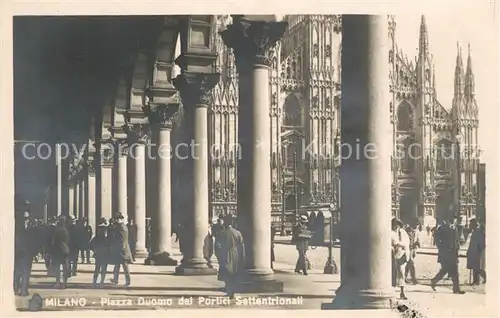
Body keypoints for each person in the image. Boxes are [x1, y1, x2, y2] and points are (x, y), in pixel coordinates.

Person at [431, 216, 465, 294]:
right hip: (445, 253)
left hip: (453, 254)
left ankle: (455, 289)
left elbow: (457, 241)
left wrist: (458, 248)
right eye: (451, 220)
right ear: (448, 221)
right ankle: (455, 289)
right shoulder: (442, 228)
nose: (453, 222)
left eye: (454, 220)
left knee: (451, 271)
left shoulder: (455, 229)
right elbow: (436, 239)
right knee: (448, 270)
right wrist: (441, 247)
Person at [215, 214, 246, 299]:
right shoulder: (237, 233)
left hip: (225, 254)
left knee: (226, 274)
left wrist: (218, 256)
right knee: (234, 274)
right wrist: (242, 257)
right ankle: (232, 291)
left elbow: (217, 246)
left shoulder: (221, 233)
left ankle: (229, 290)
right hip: (235, 255)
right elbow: (241, 246)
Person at [13, 211, 37, 296]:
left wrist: (34, 253)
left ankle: (24, 290)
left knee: (26, 273)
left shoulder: (31, 229)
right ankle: (15, 287)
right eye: (24, 218)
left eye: (27, 218)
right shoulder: (16, 228)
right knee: (18, 272)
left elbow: (33, 242)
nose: (25, 220)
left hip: (28, 254)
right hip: (19, 254)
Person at [109, 213, 132, 287]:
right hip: (121, 248)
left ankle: (127, 281)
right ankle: (116, 279)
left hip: (121, 249)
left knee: (124, 265)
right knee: (117, 265)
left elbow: (120, 239)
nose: (116, 220)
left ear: (120, 219)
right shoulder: (121, 226)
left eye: (117, 219)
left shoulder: (121, 227)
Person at [391, 217, 410, 300]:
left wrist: (404, 248)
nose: (396, 227)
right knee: (393, 273)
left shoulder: (403, 232)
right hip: (393, 255)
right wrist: (400, 245)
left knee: (402, 272)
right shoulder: (390, 233)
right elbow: (393, 242)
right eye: (395, 225)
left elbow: (407, 242)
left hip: (403, 254)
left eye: (398, 225)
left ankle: (402, 292)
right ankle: (392, 290)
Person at [51, 216, 71, 289]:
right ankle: (64, 283)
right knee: (65, 267)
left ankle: (58, 282)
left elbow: (53, 240)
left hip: (58, 249)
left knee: (57, 267)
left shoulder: (57, 230)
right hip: (65, 249)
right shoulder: (66, 230)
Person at [90, 218, 110, 288]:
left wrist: (95, 250)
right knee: (103, 269)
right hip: (104, 253)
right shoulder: (105, 238)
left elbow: (91, 245)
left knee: (97, 268)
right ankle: (101, 282)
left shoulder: (97, 238)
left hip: (99, 253)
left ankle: (95, 282)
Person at [466, 218, 486, 285]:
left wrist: (480, 250)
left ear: (473, 224)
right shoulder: (475, 231)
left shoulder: (478, 231)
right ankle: (476, 281)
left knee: (478, 268)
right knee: (475, 267)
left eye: (470, 224)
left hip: (477, 252)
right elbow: (472, 243)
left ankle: (485, 278)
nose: (469, 225)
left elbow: (482, 242)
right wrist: (469, 250)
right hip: (474, 251)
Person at [404, 219, 420, 284]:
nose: (417, 226)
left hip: (413, 249)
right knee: (412, 263)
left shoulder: (417, 231)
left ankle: (404, 277)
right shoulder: (407, 230)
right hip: (408, 249)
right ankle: (413, 278)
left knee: (408, 263)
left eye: (417, 225)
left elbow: (417, 239)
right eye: (416, 224)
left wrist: (417, 244)